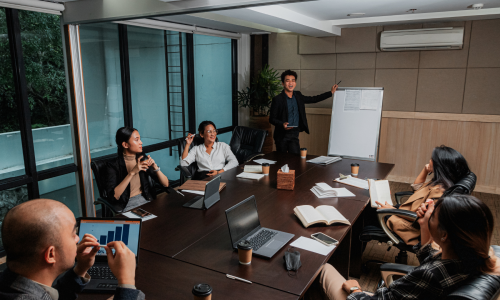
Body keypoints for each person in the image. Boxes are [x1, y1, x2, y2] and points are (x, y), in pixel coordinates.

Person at [320, 194, 500, 300]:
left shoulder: (430, 275)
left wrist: (354, 289)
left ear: (445, 235)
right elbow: (433, 259)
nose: (430, 215)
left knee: (322, 268)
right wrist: (424, 225)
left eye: (434, 216)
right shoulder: (479, 257)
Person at [0, 199, 145, 300]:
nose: (78, 239)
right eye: (73, 234)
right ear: (51, 254)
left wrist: (80, 269)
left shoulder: (8, 282)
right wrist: (127, 282)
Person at [375, 145, 471, 245]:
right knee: (374, 205)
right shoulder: (442, 182)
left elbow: (423, 218)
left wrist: (392, 209)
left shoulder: (440, 192)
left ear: (439, 166)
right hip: (405, 213)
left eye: (432, 159)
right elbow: (417, 187)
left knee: (368, 212)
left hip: (410, 225)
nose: (429, 160)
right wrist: (425, 170)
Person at [269, 70, 338, 154]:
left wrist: (330, 92)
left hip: (294, 133)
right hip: (281, 135)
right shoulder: (278, 99)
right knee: (282, 161)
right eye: (287, 80)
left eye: (293, 80)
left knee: (295, 160)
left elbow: (313, 99)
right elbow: (272, 119)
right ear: (283, 83)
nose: (290, 83)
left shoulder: (298, 95)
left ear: (295, 83)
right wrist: (282, 124)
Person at [106, 127, 169, 212]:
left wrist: (155, 167)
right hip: (127, 204)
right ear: (125, 145)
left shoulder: (142, 158)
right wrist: (132, 172)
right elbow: (114, 196)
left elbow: (166, 184)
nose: (141, 142)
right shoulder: (112, 165)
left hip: (147, 199)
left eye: (140, 139)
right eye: (137, 140)